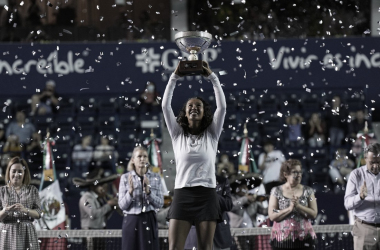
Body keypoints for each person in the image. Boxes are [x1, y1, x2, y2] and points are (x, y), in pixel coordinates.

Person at [162, 61, 226, 250]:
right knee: (174, 248)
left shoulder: (212, 134)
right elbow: (165, 106)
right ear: (185, 112)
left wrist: (212, 78)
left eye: (198, 105)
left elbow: (222, 108)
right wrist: (174, 77)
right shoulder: (177, 134)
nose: (194, 108)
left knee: (206, 248)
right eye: (190, 106)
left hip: (207, 195)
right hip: (183, 194)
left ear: (205, 112)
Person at [118, 146, 164, 250]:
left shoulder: (156, 177)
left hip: (149, 220)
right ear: (133, 160)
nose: (142, 159)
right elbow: (122, 206)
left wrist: (148, 193)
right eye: (139, 156)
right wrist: (130, 193)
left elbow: (160, 204)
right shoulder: (125, 178)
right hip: (131, 221)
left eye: (145, 156)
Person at [268, 159, 318, 250]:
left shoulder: (308, 191)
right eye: (294, 172)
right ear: (285, 175)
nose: (298, 175)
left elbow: (314, 213)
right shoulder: (276, 191)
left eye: (300, 172)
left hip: (305, 239)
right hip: (281, 241)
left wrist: (299, 207)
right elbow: (272, 215)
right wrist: (289, 209)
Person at [0, 157, 43, 250]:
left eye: (20, 171)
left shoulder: (33, 190)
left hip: (28, 234)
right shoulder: (1, 191)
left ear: (24, 173)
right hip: (7, 235)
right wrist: (5, 211)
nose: (16, 174)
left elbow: (39, 213)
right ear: (9, 172)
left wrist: (25, 210)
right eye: (13, 171)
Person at [344, 143, 380, 250]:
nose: (376, 166)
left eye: (379, 162)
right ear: (365, 159)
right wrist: (360, 197)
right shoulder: (355, 175)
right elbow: (348, 204)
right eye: (372, 162)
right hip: (364, 229)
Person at [73, 168, 119, 250]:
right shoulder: (86, 198)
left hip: (100, 232)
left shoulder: (99, 198)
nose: (102, 187)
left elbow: (103, 217)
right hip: (90, 233)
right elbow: (93, 214)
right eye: (100, 185)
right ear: (92, 186)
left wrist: (112, 207)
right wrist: (108, 205)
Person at [184, 174, 233, 250]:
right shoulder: (189, 180)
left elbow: (228, 205)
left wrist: (212, 194)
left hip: (220, 236)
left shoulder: (222, 181)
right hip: (196, 235)